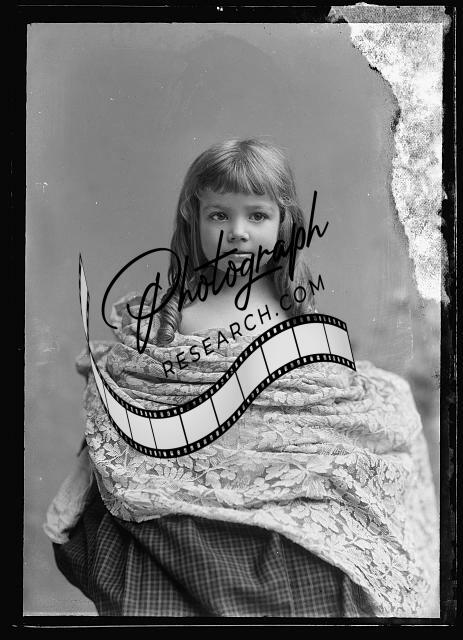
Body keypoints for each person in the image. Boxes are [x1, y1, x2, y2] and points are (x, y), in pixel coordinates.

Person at [44, 138, 438, 618]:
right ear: (193, 218)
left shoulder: (293, 310)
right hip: (186, 481)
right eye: (219, 215)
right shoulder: (173, 317)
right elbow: (147, 387)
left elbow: (310, 401)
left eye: (257, 216)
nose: (237, 232)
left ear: (283, 223)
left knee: (380, 423)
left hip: (284, 475)